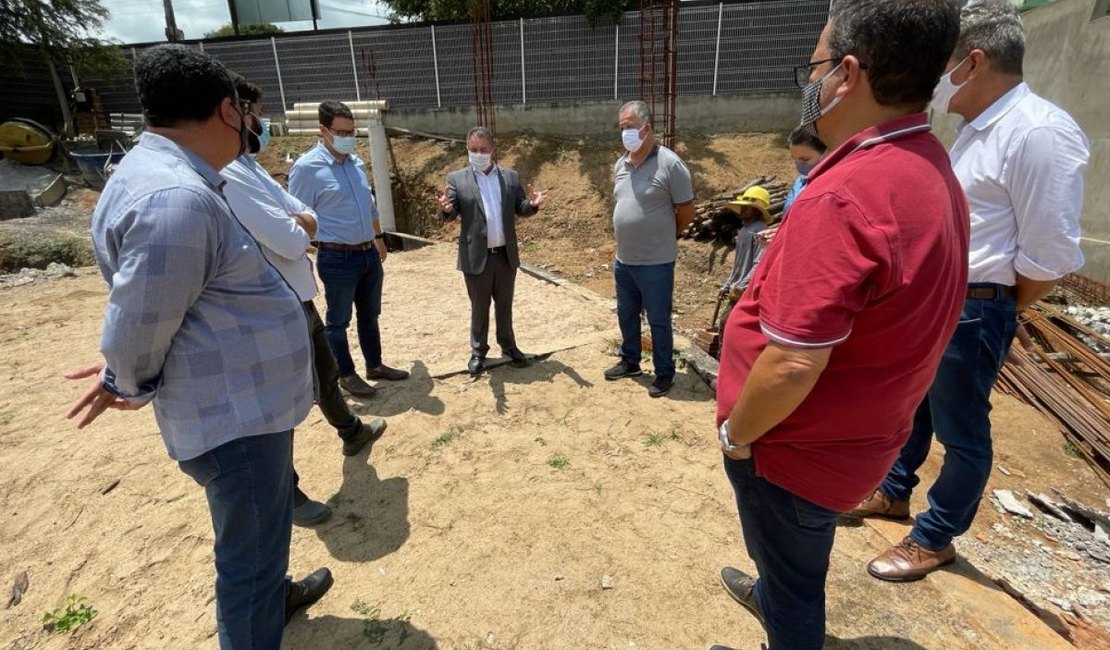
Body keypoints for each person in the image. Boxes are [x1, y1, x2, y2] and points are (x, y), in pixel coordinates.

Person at [709, 0, 967, 648]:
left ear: (847, 74)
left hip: (794, 453)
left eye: (816, 64)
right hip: (854, 444)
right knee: (795, 562)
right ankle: (771, 590)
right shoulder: (929, 167)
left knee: (799, 585)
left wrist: (738, 434)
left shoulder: (844, 194)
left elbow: (794, 362)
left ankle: (782, 610)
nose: (811, 81)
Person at [64, 45, 331, 650]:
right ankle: (260, 614)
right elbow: (141, 320)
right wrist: (123, 376)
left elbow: (158, 301)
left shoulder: (167, 178)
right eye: (245, 108)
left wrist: (123, 364)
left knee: (256, 541)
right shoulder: (175, 198)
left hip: (238, 407)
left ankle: (277, 595)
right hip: (234, 420)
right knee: (248, 560)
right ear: (228, 111)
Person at [851, 0, 1088, 582]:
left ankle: (934, 539)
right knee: (915, 409)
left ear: (974, 62)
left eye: (945, 64)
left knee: (962, 431)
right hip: (946, 300)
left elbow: (1049, 255)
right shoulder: (978, 131)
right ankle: (894, 490)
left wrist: (994, 305)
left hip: (976, 305)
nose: (936, 78)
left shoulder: (1038, 134)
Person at [221, 78, 389, 528]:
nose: (260, 121)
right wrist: (302, 224)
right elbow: (292, 236)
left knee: (323, 371)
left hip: (299, 292)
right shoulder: (229, 173)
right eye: (255, 111)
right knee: (281, 399)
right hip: (277, 296)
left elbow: (296, 212)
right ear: (232, 112)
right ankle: (287, 493)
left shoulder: (250, 165)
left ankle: (352, 431)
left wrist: (370, 237)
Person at [289, 101, 409, 399]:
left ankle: (374, 365)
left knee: (370, 315)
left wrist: (379, 237)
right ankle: (345, 373)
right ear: (323, 130)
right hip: (336, 256)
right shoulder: (307, 169)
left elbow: (369, 206)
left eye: (351, 130)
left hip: (368, 252)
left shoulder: (355, 163)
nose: (348, 136)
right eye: (341, 131)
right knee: (338, 320)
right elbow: (296, 215)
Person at [436, 126, 549, 377]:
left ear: (492, 150)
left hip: (505, 256)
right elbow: (451, 212)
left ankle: (508, 345)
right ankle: (479, 351)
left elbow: (520, 207)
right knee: (479, 306)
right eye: (473, 150)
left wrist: (532, 204)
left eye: (482, 150)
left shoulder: (509, 177)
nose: (478, 154)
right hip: (477, 256)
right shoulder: (457, 179)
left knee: (505, 305)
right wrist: (445, 209)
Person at [604, 99, 696, 398]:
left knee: (658, 319)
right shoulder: (621, 164)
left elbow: (686, 211)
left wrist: (669, 235)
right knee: (626, 315)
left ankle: (664, 372)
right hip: (624, 260)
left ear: (647, 128)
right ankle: (630, 361)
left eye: (629, 128)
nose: (625, 134)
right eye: (621, 129)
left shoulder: (670, 164)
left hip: (656, 261)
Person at [717, 186, 772, 336]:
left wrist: (741, 286)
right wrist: (728, 284)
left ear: (757, 210)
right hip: (739, 286)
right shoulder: (743, 231)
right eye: (742, 207)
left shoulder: (760, 231)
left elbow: (758, 264)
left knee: (727, 324)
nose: (742, 210)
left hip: (748, 289)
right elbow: (739, 265)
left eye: (747, 208)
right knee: (725, 325)